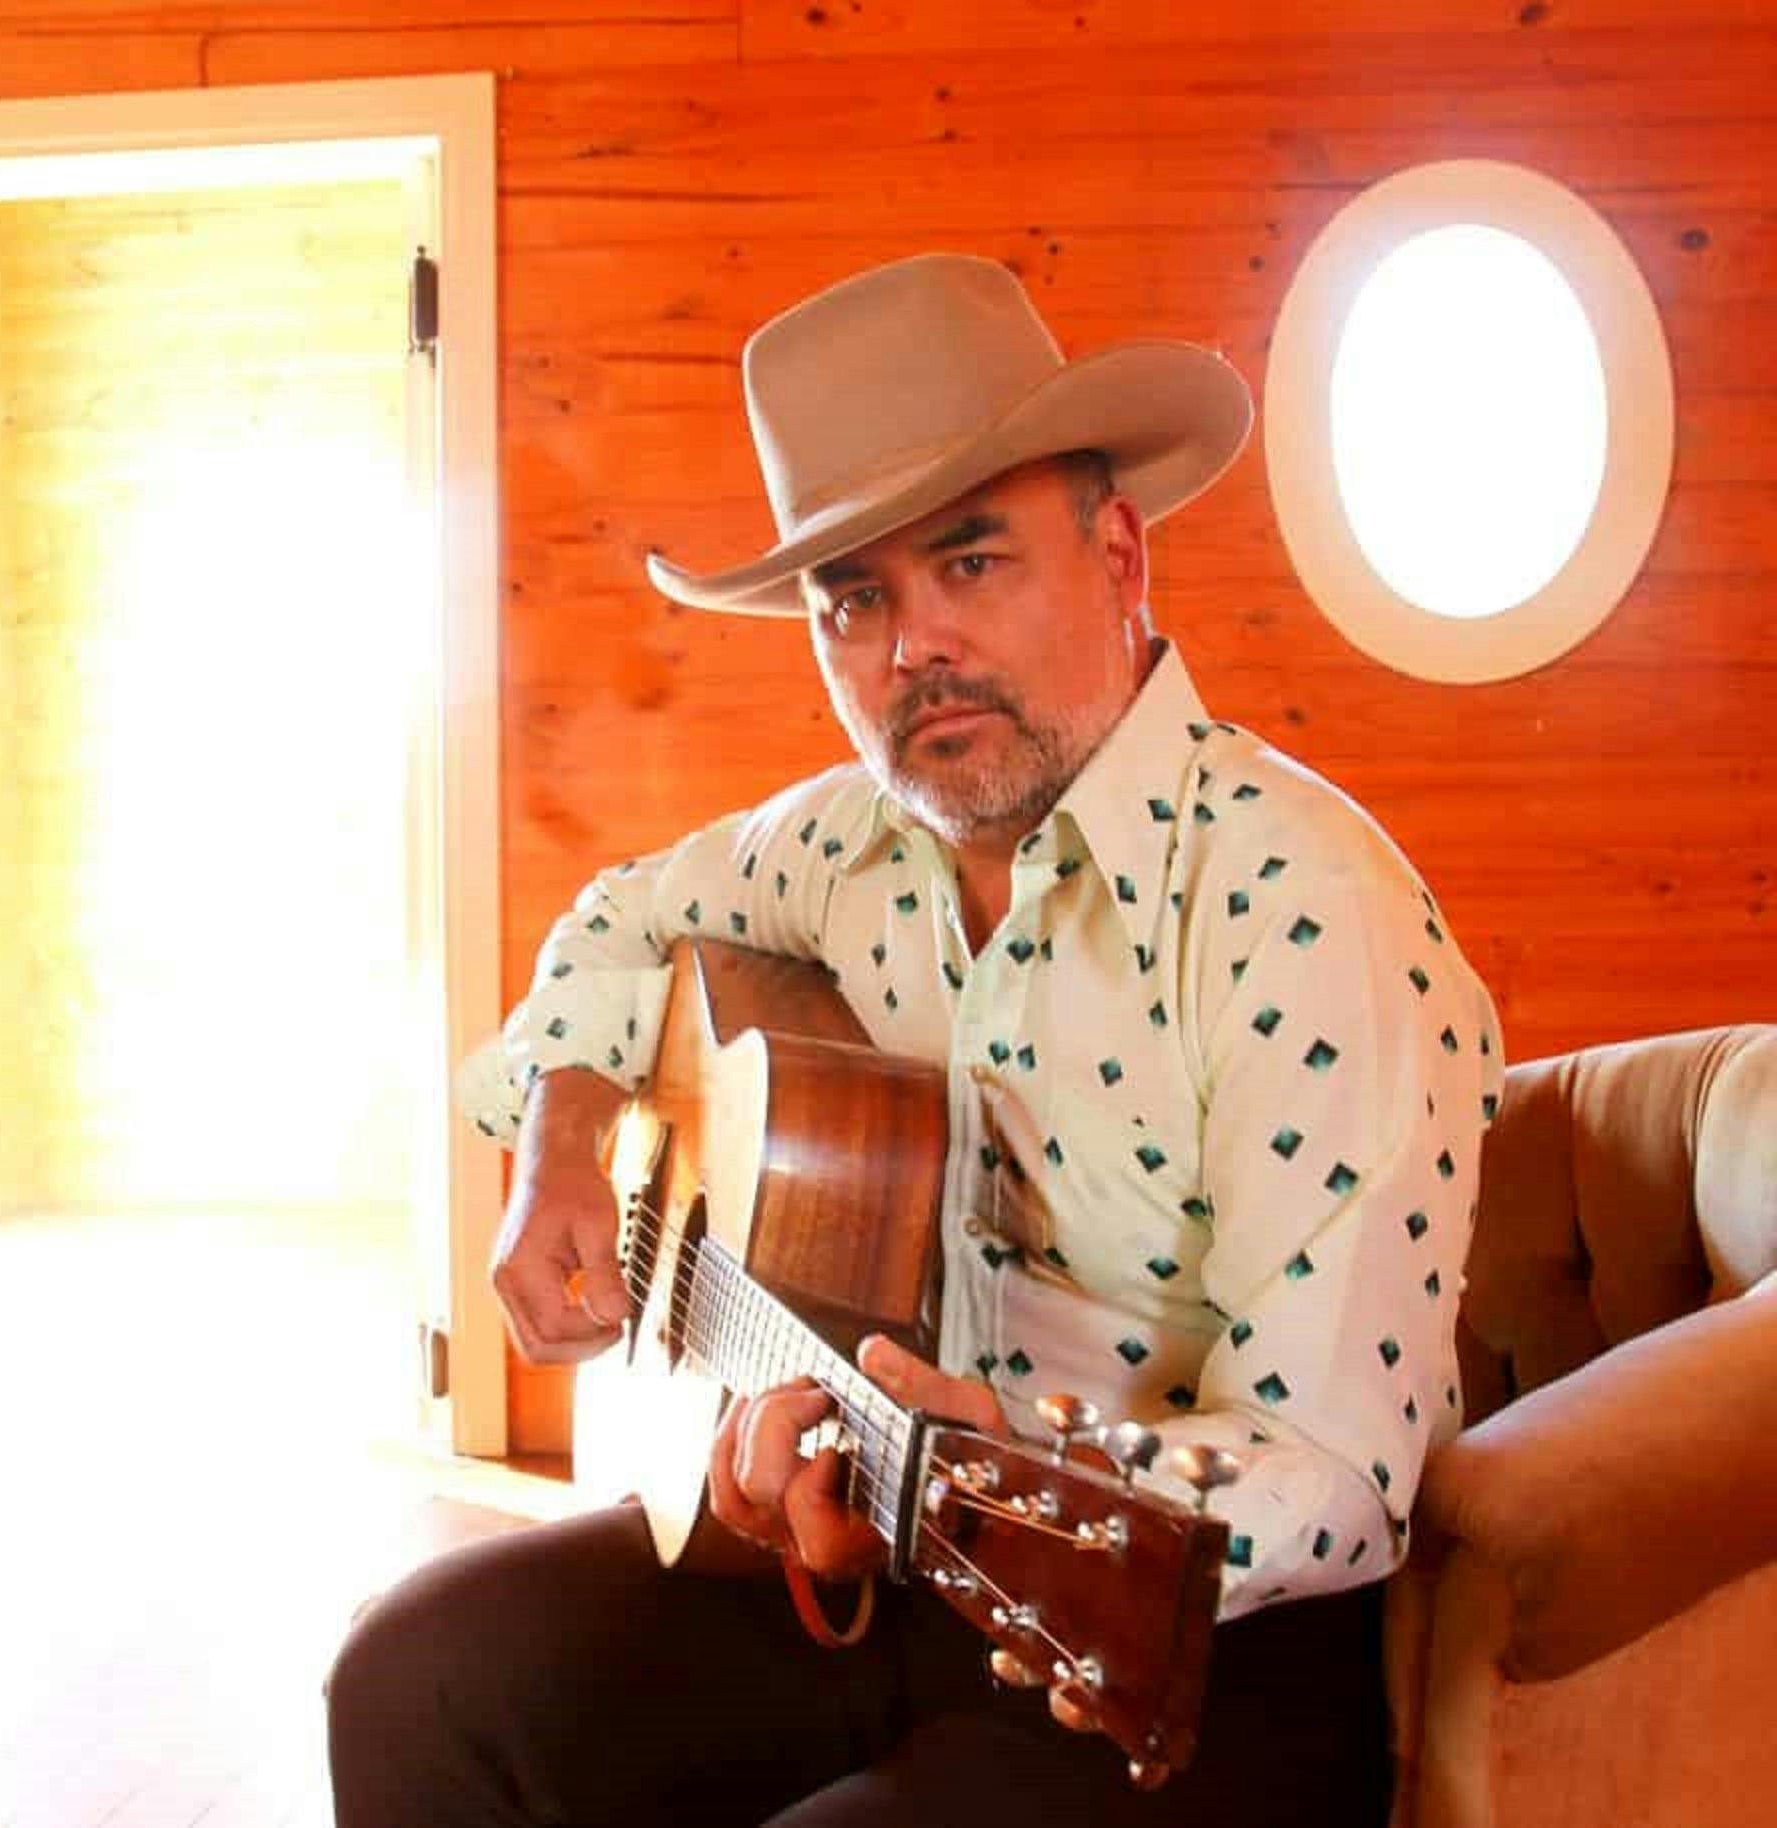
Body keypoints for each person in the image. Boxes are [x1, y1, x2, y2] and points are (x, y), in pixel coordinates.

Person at [326, 252, 1505, 1826]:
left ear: (1118, 555)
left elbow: (1336, 1476)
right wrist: (564, 1113)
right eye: (855, 600)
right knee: (414, 1678)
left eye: (970, 563)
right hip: (885, 1564)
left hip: (1191, 1654)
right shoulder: (835, 849)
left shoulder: (1307, 909)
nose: (911, 649)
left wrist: (1007, 1458)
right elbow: (616, 924)